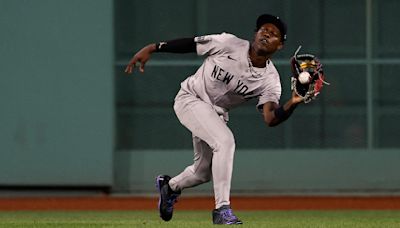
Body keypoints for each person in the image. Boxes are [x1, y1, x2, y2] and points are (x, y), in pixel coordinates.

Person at [125, 14, 304, 225]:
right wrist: (153, 47)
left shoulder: (270, 80)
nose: (267, 33)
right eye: (264, 29)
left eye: (274, 34)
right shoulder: (229, 43)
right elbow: (191, 44)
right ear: (255, 33)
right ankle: (222, 209)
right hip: (190, 98)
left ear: (280, 45)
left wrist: (294, 101)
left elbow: (271, 118)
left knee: (201, 173)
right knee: (225, 141)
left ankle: (170, 187)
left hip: (216, 114)